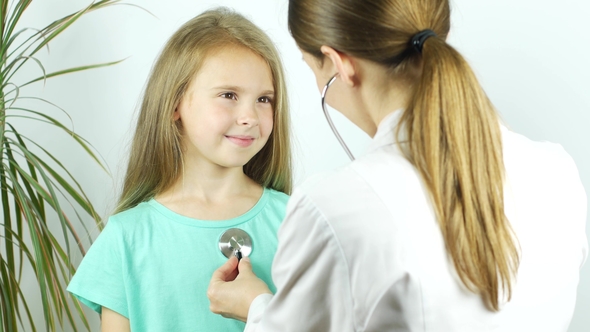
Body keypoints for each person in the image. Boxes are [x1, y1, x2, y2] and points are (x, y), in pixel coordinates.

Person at [207, 0, 588, 331]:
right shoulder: (558, 171)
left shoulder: (333, 208)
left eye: (314, 70)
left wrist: (256, 308)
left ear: (341, 65)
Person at [67, 7, 292, 332]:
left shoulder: (295, 220)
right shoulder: (126, 238)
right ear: (175, 104)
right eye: (229, 95)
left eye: (264, 99)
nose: (251, 117)